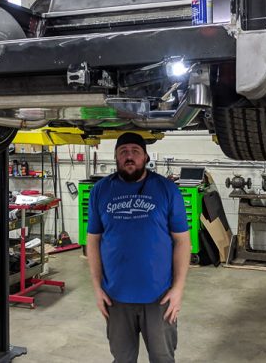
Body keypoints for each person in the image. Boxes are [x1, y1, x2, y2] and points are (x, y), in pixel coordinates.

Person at [87, 132, 190, 363]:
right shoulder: (100, 190)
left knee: (163, 358)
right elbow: (93, 241)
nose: (129, 156)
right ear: (116, 157)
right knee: (122, 358)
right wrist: (97, 288)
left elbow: (183, 241)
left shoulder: (167, 189)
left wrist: (178, 289)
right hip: (116, 297)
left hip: (160, 297)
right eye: (123, 152)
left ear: (145, 157)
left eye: (135, 151)